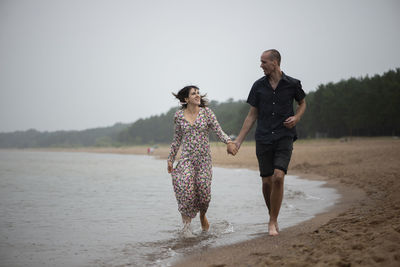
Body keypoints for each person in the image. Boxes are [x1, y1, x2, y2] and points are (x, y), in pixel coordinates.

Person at [228, 49, 306, 236]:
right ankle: (272, 215)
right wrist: (238, 141)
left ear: (275, 62)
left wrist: (296, 117)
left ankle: (272, 221)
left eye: (264, 62)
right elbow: (252, 115)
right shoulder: (258, 86)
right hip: (263, 137)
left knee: (278, 177)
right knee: (267, 182)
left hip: (284, 136)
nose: (261, 65)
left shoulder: (292, 84)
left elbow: (303, 103)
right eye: (261, 62)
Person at [168, 85, 237, 238]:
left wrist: (229, 142)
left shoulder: (207, 113)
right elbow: (177, 140)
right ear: (186, 99)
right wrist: (170, 159)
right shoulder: (179, 116)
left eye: (198, 93)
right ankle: (186, 228)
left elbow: (219, 131)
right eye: (194, 94)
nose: (198, 95)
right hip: (187, 159)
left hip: (204, 160)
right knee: (185, 187)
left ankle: (202, 215)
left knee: (204, 193)